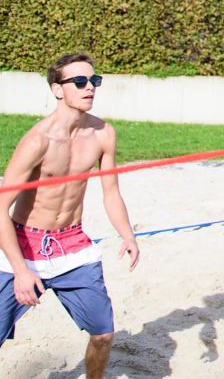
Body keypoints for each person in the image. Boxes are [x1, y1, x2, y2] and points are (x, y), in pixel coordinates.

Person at [0, 53, 140, 379]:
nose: (89, 87)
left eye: (95, 80)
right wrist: (21, 271)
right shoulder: (38, 141)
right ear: (57, 89)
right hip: (23, 245)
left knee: (103, 334)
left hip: (72, 245)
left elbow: (110, 192)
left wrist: (127, 234)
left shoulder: (103, 133)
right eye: (79, 81)